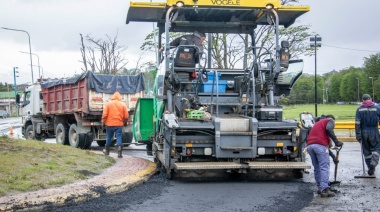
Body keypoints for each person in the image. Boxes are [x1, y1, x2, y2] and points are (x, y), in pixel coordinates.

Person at [307, 114, 343, 197]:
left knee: (317, 167)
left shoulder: (318, 124)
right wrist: (336, 141)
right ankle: (325, 189)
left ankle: (320, 187)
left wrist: (334, 157)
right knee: (324, 167)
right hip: (319, 146)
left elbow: (326, 148)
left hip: (310, 146)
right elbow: (329, 129)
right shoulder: (330, 121)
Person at [355, 94, 380, 176]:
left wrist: (358, 135)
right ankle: (374, 163)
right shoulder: (377, 108)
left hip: (363, 132)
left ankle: (370, 167)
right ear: (371, 99)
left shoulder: (359, 109)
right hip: (374, 131)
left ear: (363, 100)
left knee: (366, 151)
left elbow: (357, 123)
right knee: (377, 148)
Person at [101, 91, 129, 158]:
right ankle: (119, 153)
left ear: (112, 97)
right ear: (120, 97)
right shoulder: (123, 105)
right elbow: (126, 116)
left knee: (108, 137)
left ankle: (107, 151)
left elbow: (104, 115)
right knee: (119, 137)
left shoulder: (108, 104)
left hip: (109, 124)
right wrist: (125, 122)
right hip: (119, 124)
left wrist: (103, 122)